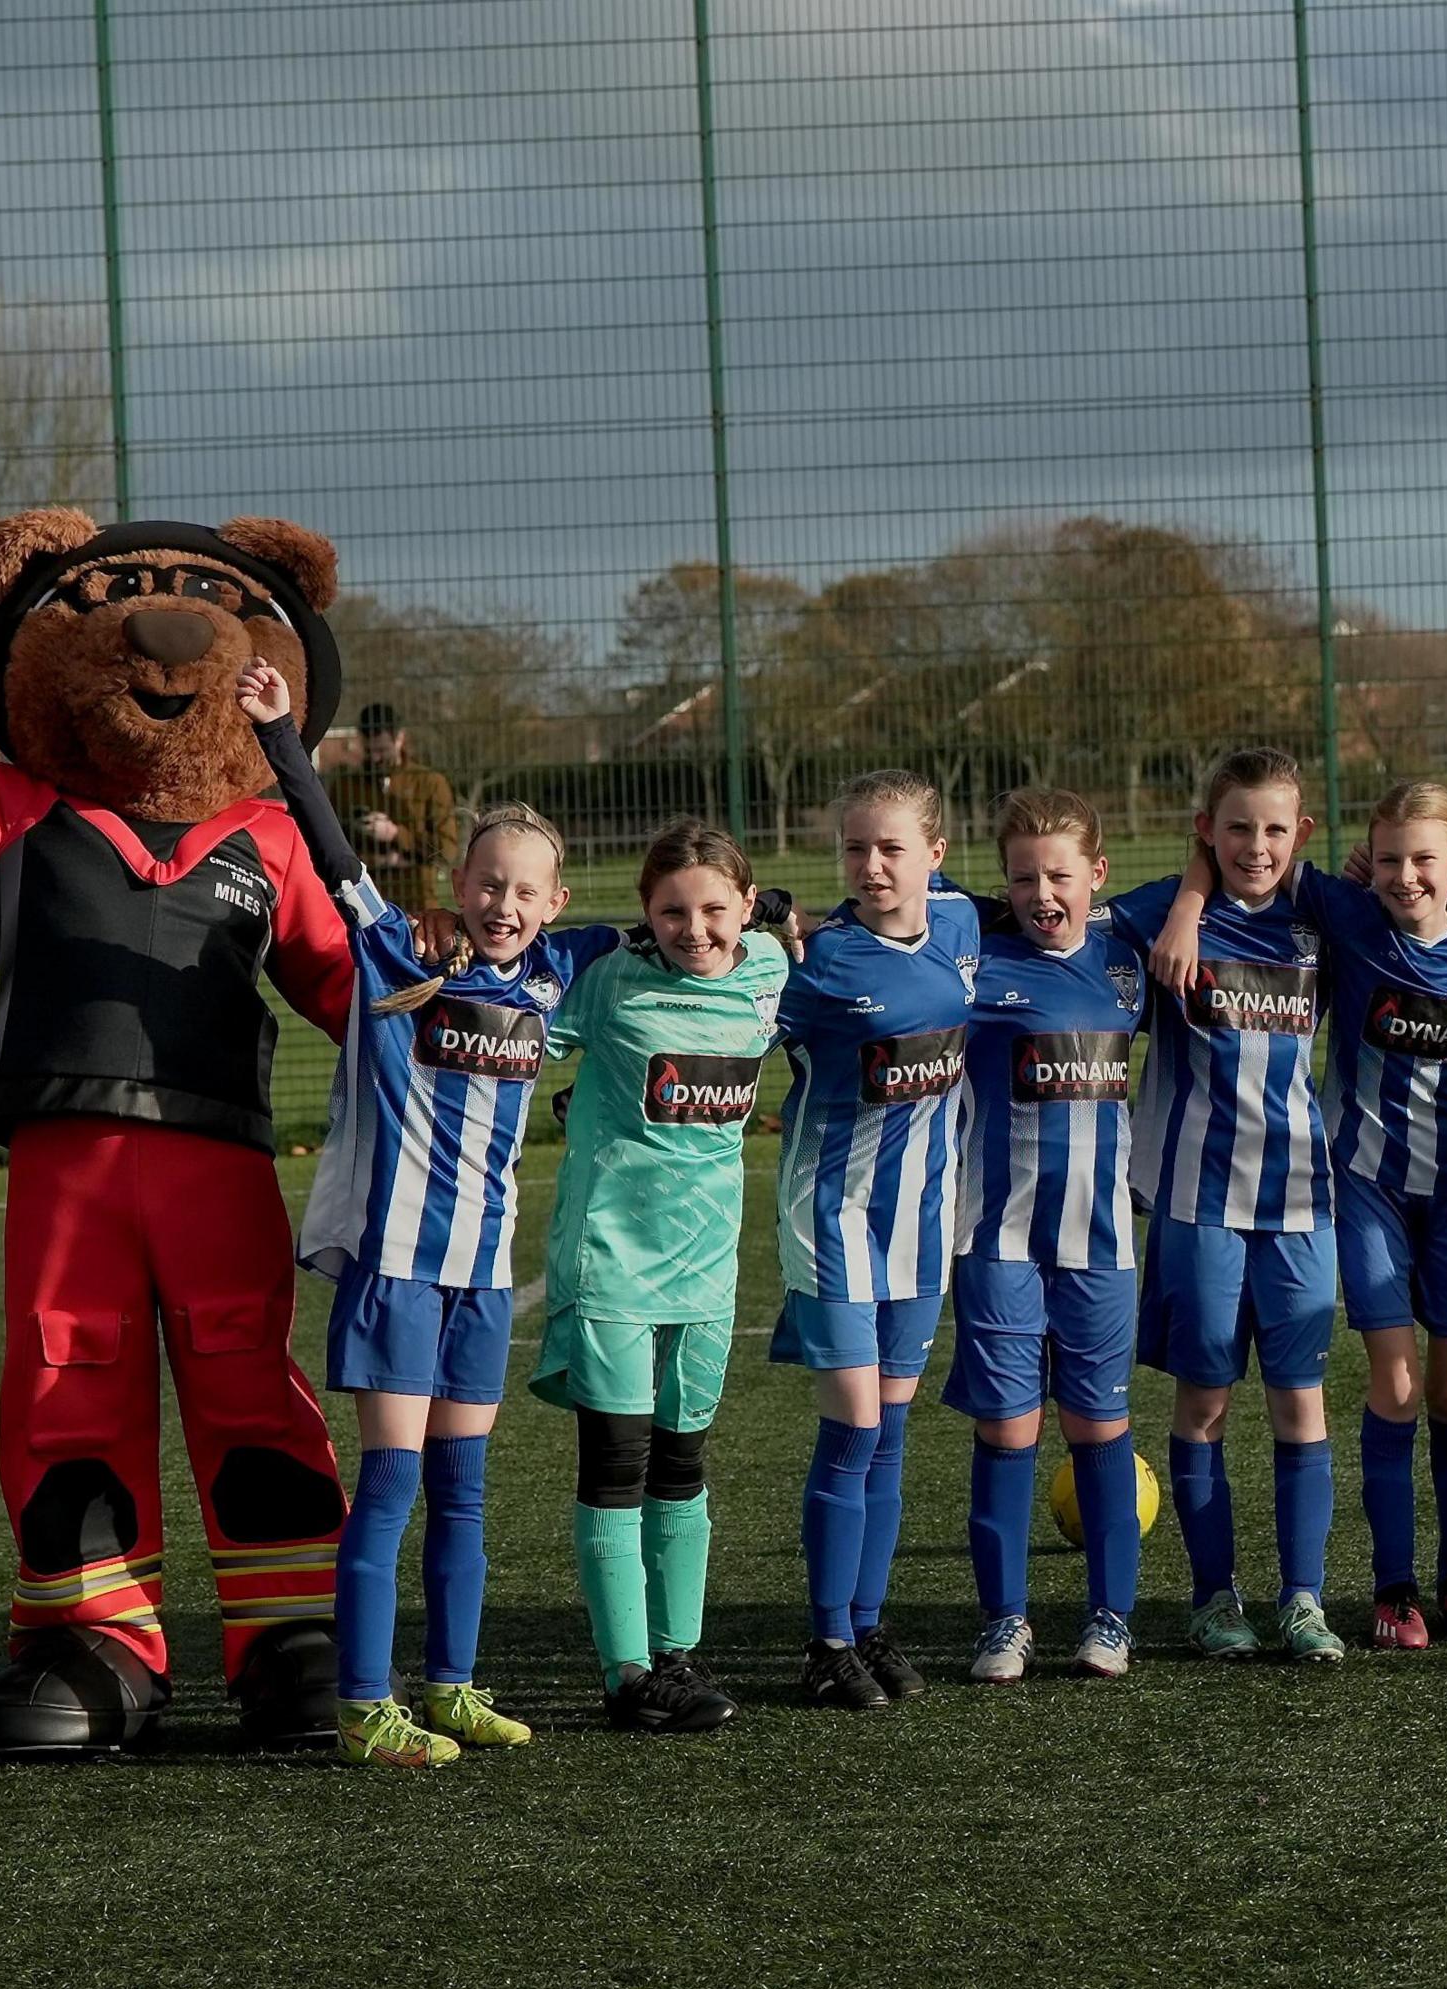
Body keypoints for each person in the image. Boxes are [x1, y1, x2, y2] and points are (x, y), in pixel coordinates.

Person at [252, 666, 618, 1764]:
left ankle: (451, 1685)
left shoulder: (553, 974)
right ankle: (365, 1704)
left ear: (551, 903)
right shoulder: (400, 956)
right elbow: (332, 853)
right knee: (395, 1487)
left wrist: (767, 918)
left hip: (481, 1279)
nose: (504, 904)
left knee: (465, 1496)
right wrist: (280, 737)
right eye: (489, 883)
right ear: (458, 882)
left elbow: (638, 929)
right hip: (399, 1271)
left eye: (526, 891)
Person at [533, 819, 795, 1736]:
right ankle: (627, 1675)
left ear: (748, 907)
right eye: (671, 911)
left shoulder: (768, 969)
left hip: (709, 1268)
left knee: (683, 1465)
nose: (695, 929)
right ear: (644, 917)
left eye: (714, 909)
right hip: (612, 1261)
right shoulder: (609, 984)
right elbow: (520, 997)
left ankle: (677, 1654)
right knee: (616, 1465)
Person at [1114, 748, 1347, 1665]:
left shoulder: (1323, 914)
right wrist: (1184, 900)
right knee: (1204, 1402)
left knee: (1303, 1403)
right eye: (1237, 827)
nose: (1258, 845)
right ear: (1206, 831)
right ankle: (1215, 1599)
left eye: (1276, 828)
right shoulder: (1149, 917)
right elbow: (1039, 917)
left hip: (1302, 1204)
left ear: (1303, 835)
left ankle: (1301, 1599)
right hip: (1197, 1204)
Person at [776, 773, 983, 1704]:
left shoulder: (967, 928)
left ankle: (866, 1625)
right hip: (833, 1220)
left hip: (922, 1224)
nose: (871, 866)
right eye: (856, 849)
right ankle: (825, 1645)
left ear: (935, 856)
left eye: (891, 848)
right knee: (854, 1425)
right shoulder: (819, 964)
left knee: (891, 1432)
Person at [946, 787, 1155, 1680]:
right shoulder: (973, 956)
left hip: (1102, 1244)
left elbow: (1206, 882)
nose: (1043, 894)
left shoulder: (1130, 952)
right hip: (997, 1240)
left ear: (1096, 876)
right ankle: (1006, 1621)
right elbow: (904, 897)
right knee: (1007, 1429)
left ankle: (1110, 1618)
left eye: (1061, 875)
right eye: (1023, 878)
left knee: (1100, 1427)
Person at [1304, 783, 1447, 1651]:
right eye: (1387, 858)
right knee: (1394, 1385)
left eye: (1425, 858)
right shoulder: (1350, 918)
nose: (1405, 875)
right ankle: (1394, 1591)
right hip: (1367, 1185)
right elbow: (1242, 855)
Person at [328, 704, 465, 918]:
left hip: (417, 904)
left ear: (399, 738)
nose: (375, 758)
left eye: (382, 750)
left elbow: (446, 850)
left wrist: (394, 833)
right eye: (369, 751)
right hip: (364, 905)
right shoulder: (346, 787)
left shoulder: (430, 783)